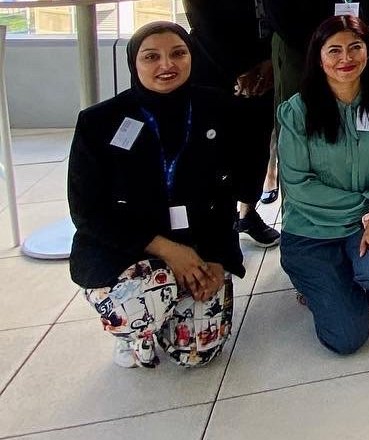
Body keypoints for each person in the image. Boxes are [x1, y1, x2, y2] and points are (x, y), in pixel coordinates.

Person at [68, 22, 246, 369]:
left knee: (198, 354)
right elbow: (87, 211)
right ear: (134, 63)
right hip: (127, 249)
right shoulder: (99, 122)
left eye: (178, 53)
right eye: (152, 57)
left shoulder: (219, 109)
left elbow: (226, 195)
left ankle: (170, 312)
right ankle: (138, 334)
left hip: (198, 242)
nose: (167, 65)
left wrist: (218, 259)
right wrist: (167, 250)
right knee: (141, 302)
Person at [278, 16, 369, 355]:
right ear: (318, 58)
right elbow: (297, 185)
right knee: (347, 339)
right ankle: (316, 281)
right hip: (312, 231)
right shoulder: (296, 112)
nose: (345, 58)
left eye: (355, 47)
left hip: (368, 223)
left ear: (368, 50)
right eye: (333, 50)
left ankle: (353, 280)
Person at [180, 0, 279, 247]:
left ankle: (248, 213)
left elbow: (277, 7)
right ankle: (217, 223)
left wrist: (268, 63)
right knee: (220, 146)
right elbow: (199, 15)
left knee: (256, 144)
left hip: (266, 65)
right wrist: (239, 70)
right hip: (220, 68)